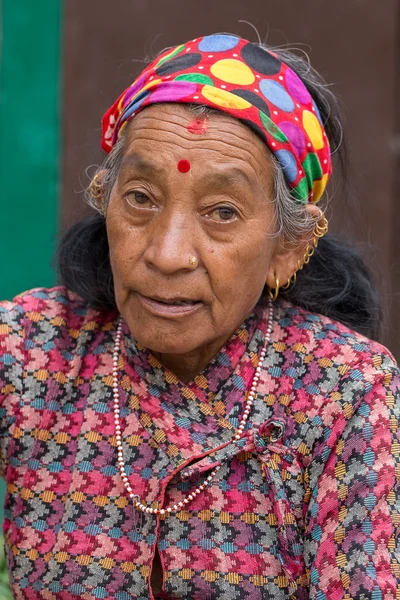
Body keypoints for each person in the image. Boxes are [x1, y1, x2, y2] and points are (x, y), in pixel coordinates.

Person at [0, 32, 399, 600]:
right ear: (104, 199)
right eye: (140, 196)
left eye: (221, 211)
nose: (166, 253)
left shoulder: (344, 390)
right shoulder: (31, 351)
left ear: (286, 246)